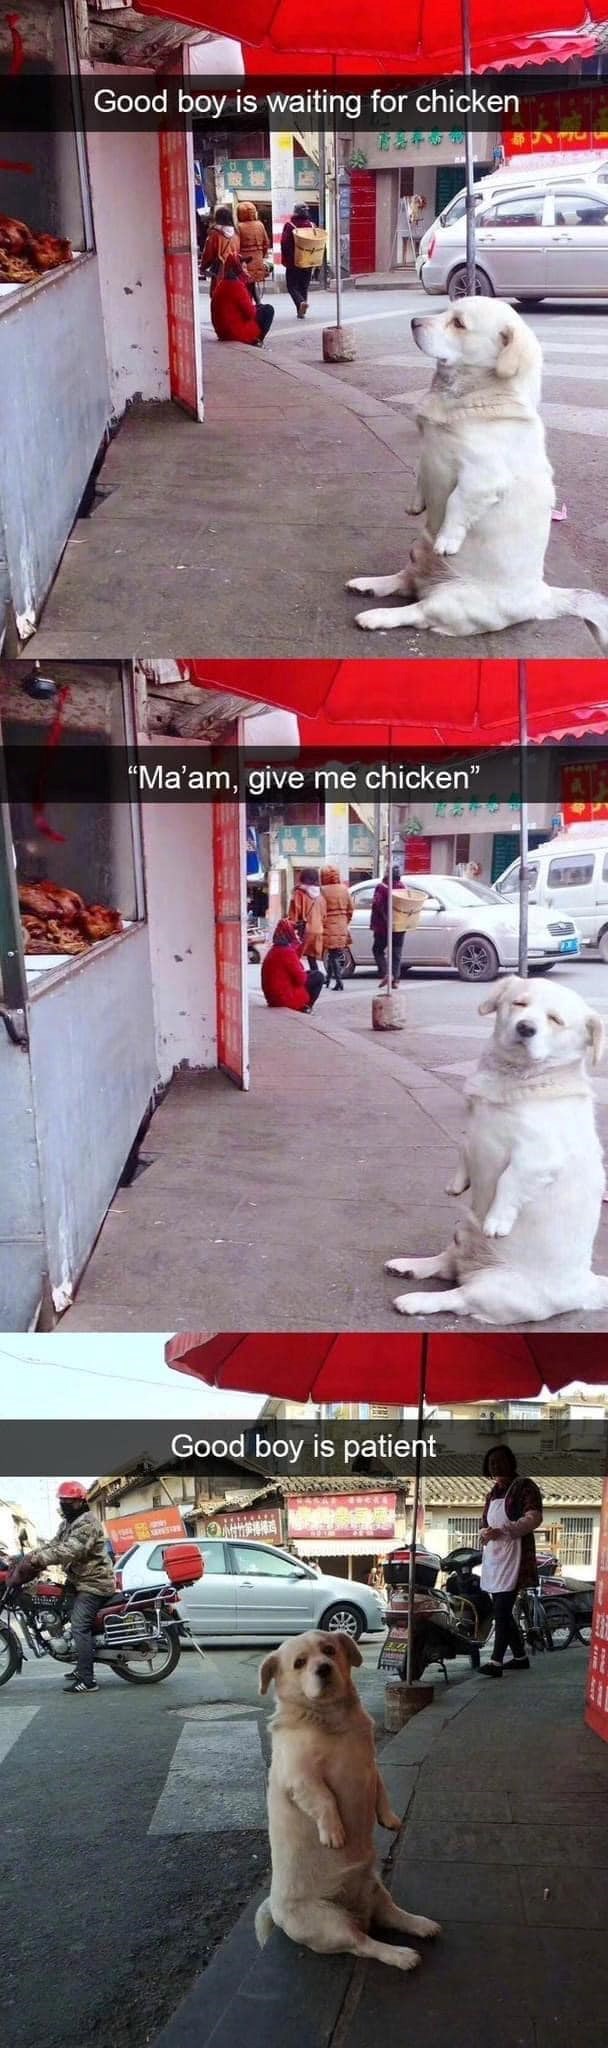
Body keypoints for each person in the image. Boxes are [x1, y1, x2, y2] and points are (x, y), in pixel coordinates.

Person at [25, 1480, 115, 1695]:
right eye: (63, 1501)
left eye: (70, 1501)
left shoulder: (87, 1523)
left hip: (94, 1583)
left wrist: (38, 1560)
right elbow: (53, 1544)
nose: (65, 1505)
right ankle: (79, 1663)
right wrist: (28, 1556)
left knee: (79, 1626)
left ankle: (88, 1680)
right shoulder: (68, 1523)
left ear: (81, 1502)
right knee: (60, 1612)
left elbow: (70, 1550)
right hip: (78, 1582)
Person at [479, 1445, 543, 1678]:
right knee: (502, 1609)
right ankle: (520, 1657)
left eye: (500, 1461)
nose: (495, 1466)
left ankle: (496, 1661)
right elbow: (484, 1523)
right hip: (495, 1557)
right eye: (492, 1462)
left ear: (511, 1462)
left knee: (502, 1609)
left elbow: (534, 1517)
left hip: (515, 1556)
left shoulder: (525, 1486)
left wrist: (506, 1530)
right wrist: (485, 1533)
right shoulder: (492, 1493)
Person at [371, 867, 425, 990]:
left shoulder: (382, 888)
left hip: (383, 926)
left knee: (377, 950)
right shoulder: (403, 888)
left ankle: (386, 974)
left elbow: (377, 904)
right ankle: (395, 980)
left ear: (387, 875)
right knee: (396, 953)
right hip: (400, 925)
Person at [261, 919, 324, 1011]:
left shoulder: (274, 950)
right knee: (318, 976)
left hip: (272, 998)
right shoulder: (287, 952)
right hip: (284, 999)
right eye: (295, 932)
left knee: (311, 974)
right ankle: (305, 1007)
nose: (296, 935)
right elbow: (301, 979)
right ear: (289, 934)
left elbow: (294, 960)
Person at [210, 258, 275, 346]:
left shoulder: (221, 285)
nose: (246, 271)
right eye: (244, 268)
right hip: (236, 334)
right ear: (237, 270)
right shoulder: (237, 286)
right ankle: (256, 340)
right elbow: (250, 313)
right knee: (268, 310)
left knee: (260, 307)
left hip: (223, 331)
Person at [280, 203, 318, 319]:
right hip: (308, 261)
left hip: (294, 262)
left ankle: (301, 303)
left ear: (295, 212)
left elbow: (284, 244)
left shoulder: (290, 225)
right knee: (303, 286)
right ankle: (301, 311)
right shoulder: (312, 225)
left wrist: (287, 259)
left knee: (291, 286)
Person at [319, 866, 354, 991]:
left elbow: (320, 909)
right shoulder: (344, 889)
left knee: (332, 953)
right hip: (342, 924)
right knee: (333, 953)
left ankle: (339, 981)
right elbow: (351, 908)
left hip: (328, 924)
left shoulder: (322, 890)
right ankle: (328, 979)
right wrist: (345, 920)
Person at [288, 868, 326, 974]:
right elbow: (324, 914)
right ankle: (316, 978)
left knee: (294, 957)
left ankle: (295, 977)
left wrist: (291, 927)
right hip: (318, 930)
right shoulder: (321, 894)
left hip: (304, 930)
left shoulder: (299, 893)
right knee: (312, 958)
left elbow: (294, 913)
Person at [200, 204, 241, 289]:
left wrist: (203, 267)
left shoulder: (215, 234)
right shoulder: (236, 234)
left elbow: (208, 253)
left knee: (218, 293)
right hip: (234, 271)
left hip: (219, 270)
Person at [236, 200, 271, 299]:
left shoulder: (239, 227)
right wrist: (261, 256)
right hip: (258, 261)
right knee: (252, 284)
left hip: (244, 262)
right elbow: (266, 243)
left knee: (246, 284)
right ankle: (257, 303)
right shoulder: (260, 225)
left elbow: (236, 246)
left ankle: (249, 304)